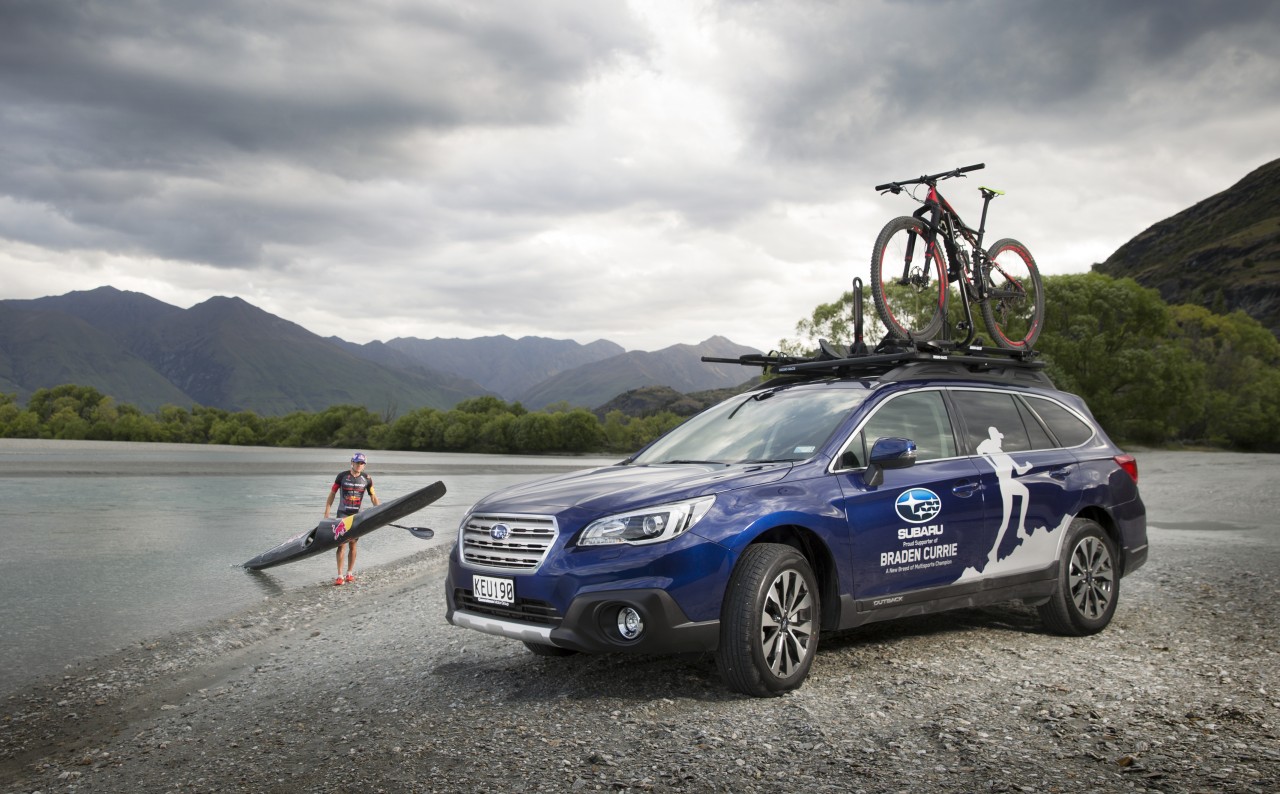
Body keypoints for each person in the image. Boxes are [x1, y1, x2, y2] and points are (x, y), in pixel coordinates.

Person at [323, 452, 380, 586]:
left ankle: (349, 573)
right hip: (342, 513)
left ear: (364, 465)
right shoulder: (342, 476)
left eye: (362, 463)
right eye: (357, 462)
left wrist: (380, 510)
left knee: (353, 544)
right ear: (352, 462)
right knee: (341, 544)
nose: (359, 465)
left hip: (357, 515)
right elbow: (332, 494)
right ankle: (339, 575)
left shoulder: (367, 479)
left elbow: (373, 496)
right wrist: (327, 513)